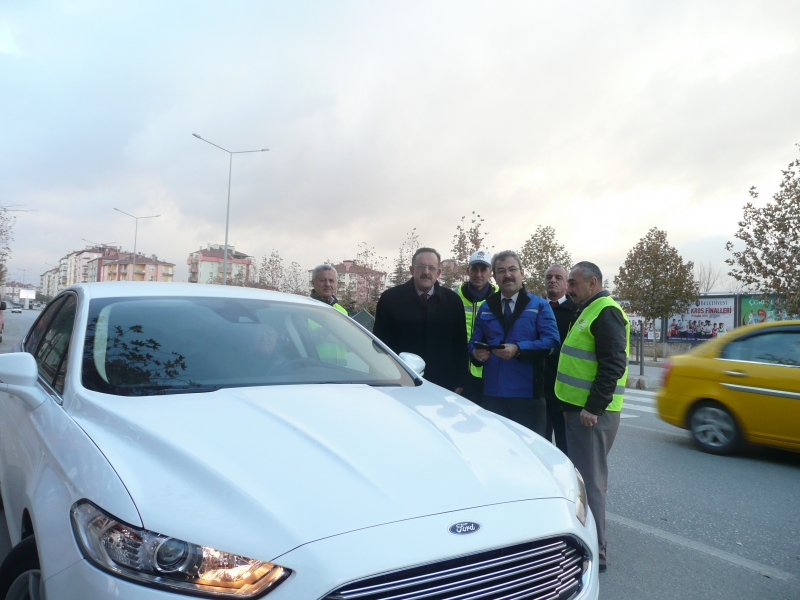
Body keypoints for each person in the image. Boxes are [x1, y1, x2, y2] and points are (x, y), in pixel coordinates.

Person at [556, 261, 629, 573]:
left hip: (591, 416)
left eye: (573, 283)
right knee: (581, 482)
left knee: (591, 484)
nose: (568, 289)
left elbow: (614, 363)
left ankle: (595, 553)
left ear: (592, 282)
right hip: (578, 412)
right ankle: (583, 542)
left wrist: (593, 407)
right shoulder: (588, 309)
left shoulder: (605, 311)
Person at [469, 251, 559, 436]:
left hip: (528, 395)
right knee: (495, 450)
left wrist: (519, 349)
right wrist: (476, 354)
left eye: (512, 269)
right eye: (501, 271)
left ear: (522, 272)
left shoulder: (539, 305)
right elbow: (473, 343)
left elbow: (552, 342)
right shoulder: (486, 306)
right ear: (494, 276)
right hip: (492, 394)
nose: (507, 275)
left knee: (531, 452)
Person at [373, 247, 467, 392]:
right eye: (421, 267)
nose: (426, 272)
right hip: (401, 384)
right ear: (412, 270)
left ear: (439, 272)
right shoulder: (390, 299)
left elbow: (460, 345)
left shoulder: (453, 301)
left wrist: (460, 382)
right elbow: (380, 346)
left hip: (443, 386)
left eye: (431, 268)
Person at [542, 264, 577, 453]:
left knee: (565, 446)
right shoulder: (535, 308)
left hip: (564, 391)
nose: (552, 281)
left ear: (566, 284)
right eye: (549, 277)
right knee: (540, 443)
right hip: (538, 388)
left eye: (558, 277)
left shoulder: (576, 312)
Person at [457, 250, 498, 404]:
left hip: (492, 372)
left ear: (490, 273)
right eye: (474, 269)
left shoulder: (500, 298)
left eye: (483, 269)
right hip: (462, 371)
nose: (478, 274)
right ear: (468, 270)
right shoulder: (454, 296)